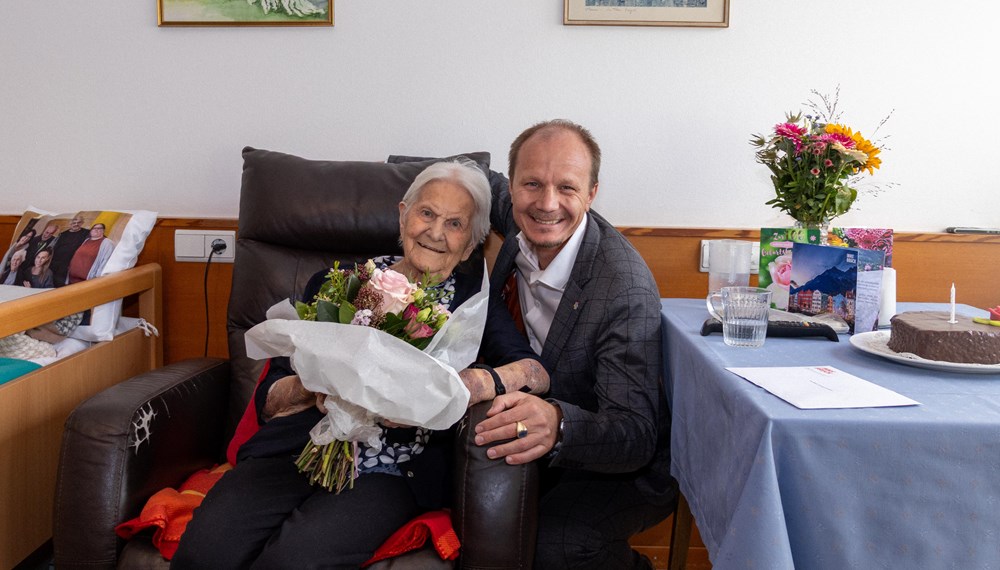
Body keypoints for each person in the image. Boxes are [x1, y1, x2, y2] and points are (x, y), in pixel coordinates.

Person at [173, 159, 547, 570]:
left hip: (391, 469)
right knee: (202, 554)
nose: (436, 232)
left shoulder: (474, 307)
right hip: (298, 448)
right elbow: (270, 398)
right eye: (426, 213)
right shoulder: (340, 283)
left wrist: (461, 385)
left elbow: (535, 373)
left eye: (455, 224)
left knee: (292, 562)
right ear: (403, 215)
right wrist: (317, 386)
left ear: (471, 245)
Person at [475, 119, 677, 569]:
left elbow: (636, 434)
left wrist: (559, 424)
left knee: (556, 543)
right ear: (513, 186)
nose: (547, 204)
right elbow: (473, 176)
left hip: (624, 464)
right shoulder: (516, 213)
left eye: (567, 188)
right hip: (540, 439)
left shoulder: (624, 289)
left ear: (592, 193)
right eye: (532, 184)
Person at [50, 214, 90, 287]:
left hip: (71, 264)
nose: (76, 224)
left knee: (62, 285)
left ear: (82, 223)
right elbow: (54, 247)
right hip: (56, 263)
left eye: (79, 222)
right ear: (70, 223)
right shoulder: (63, 234)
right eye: (74, 223)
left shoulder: (86, 232)